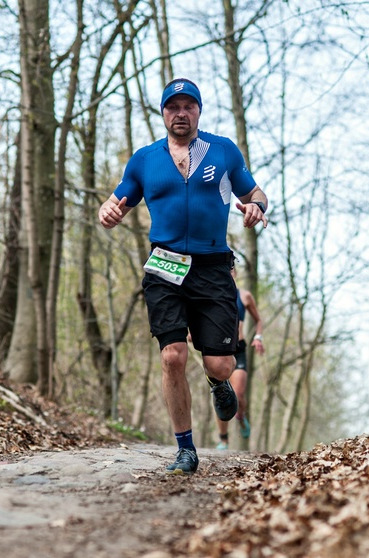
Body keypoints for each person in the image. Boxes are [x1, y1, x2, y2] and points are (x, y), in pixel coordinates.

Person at [99, 78, 269, 475]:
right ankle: (186, 448)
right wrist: (107, 211)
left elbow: (255, 193)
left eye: (188, 106)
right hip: (165, 266)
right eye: (172, 106)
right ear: (163, 113)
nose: (180, 113)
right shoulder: (144, 159)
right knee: (172, 356)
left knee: (221, 364)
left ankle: (217, 382)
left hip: (212, 266)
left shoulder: (223, 151)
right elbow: (117, 199)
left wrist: (257, 208)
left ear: (198, 111)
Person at [216, 265, 264, 450]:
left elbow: (258, 320)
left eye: (231, 269)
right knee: (221, 395)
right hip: (219, 347)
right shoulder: (213, 293)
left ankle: (241, 417)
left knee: (237, 394)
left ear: (235, 273)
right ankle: (223, 439)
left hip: (239, 348)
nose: (229, 272)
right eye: (225, 269)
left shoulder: (244, 296)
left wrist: (258, 337)